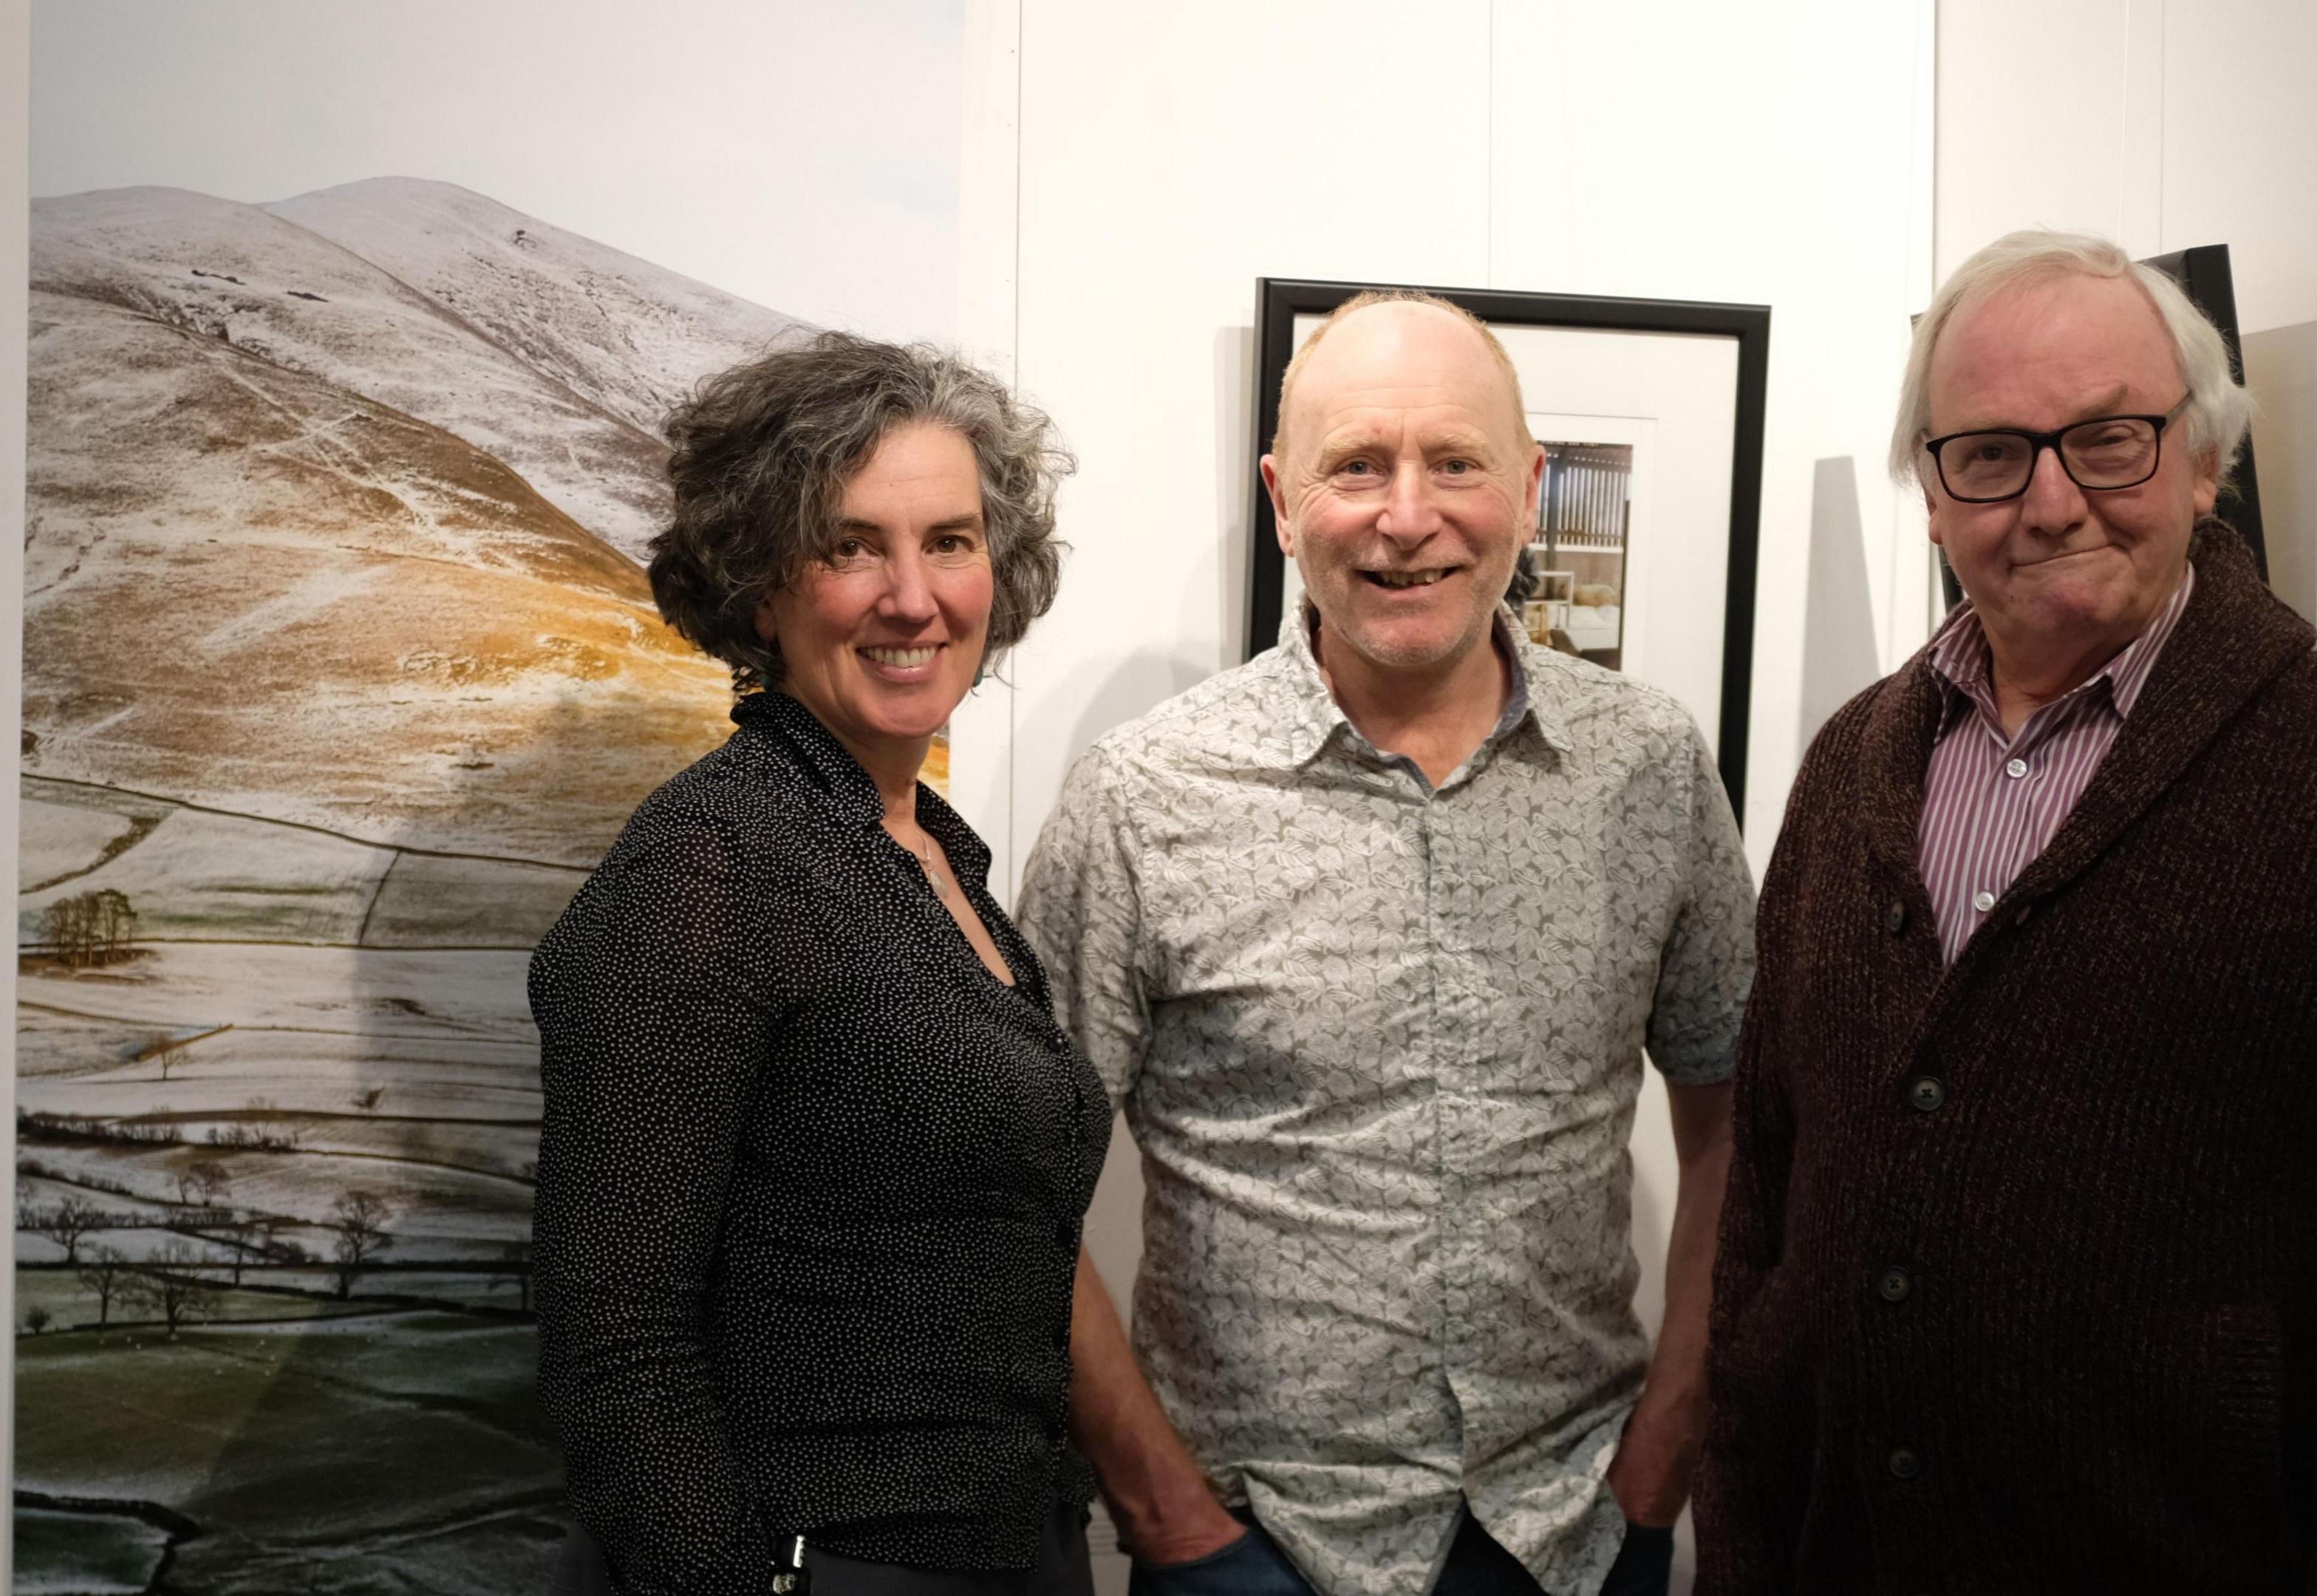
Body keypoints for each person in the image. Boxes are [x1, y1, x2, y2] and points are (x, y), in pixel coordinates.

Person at [1694, 231, 2317, 1594]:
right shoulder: (1854, 764)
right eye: (1987, 453)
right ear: (1931, 493)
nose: (2048, 503)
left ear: (2205, 461)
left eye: (2109, 441)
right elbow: (1766, 1220)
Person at [1017, 290, 1753, 1596]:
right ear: (1283, 498)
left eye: (1455, 463)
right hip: (1258, 1549)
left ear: (1529, 489)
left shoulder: (1650, 767)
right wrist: (1169, 1519)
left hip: (1571, 1535)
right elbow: (1011, 1189)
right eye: (1355, 465)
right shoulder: (1144, 798)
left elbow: (1734, 1121)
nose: (1406, 517)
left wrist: (1665, 1459)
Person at [530, 334, 1105, 1596]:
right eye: (852, 546)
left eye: (949, 541)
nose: (914, 596)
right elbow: (615, 1342)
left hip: (1004, 1550)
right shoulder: (712, 869)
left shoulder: (925, 851)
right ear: (758, 584)